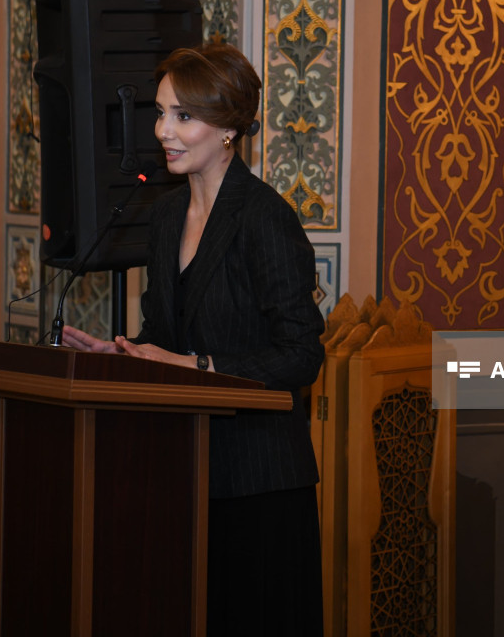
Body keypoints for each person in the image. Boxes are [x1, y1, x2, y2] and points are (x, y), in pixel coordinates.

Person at [61, 42, 325, 637]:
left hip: (258, 482)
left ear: (229, 127)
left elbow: (302, 354)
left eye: (183, 115)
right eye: (160, 113)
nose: (163, 131)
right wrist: (123, 356)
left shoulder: (265, 218)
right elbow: (165, 336)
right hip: (183, 469)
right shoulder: (163, 216)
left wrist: (193, 363)